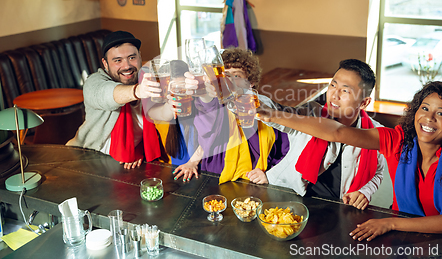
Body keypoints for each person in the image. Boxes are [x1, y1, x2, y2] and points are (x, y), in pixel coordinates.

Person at [257, 81, 442, 241]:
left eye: (441, 113)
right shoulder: (397, 141)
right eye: (424, 108)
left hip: (437, 239)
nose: (428, 118)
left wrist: (389, 223)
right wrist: (270, 115)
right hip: (402, 238)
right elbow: (336, 132)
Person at [247, 59, 386, 210]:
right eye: (333, 85)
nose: (334, 94)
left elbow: (378, 171)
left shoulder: (375, 133)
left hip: (339, 207)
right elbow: (281, 113)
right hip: (297, 199)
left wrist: (365, 191)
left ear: (364, 103)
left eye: (345, 90)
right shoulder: (311, 113)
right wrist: (249, 98)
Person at [173, 48, 290, 183]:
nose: (229, 80)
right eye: (225, 75)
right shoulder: (216, 106)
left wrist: (271, 174)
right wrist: (192, 162)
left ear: (250, 82)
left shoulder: (265, 107)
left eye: (236, 76)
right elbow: (208, 132)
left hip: (255, 181)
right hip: (217, 178)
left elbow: (284, 149)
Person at [67, 31, 174, 169]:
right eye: (118, 60)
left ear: (140, 57)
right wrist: (138, 91)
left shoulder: (149, 80)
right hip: (86, 158)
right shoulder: (94, 82)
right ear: (105, 64)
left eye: (132, 57)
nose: (127, 66)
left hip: (127, 164)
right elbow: (109, 94)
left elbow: (157, 118)